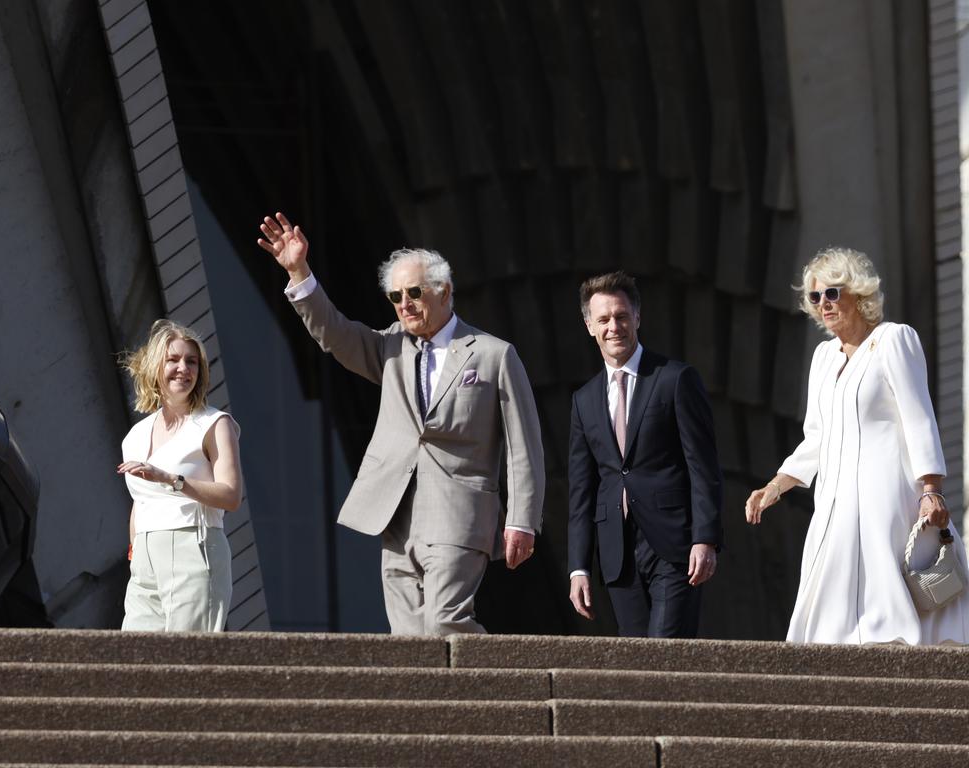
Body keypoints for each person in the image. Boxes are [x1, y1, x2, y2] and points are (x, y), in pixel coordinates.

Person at [256, 212, 545, 635]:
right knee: (410, 641)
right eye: (395, 297)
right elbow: (334, 333)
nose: (404, 304)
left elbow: (525, 447)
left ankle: (498, 691)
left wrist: (522, 519)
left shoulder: (492, 354)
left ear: (444, 292)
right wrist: (299, 271)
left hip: (459, 511)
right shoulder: (392, 345)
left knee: (446, 622)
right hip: (395, 514)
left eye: (414, 292)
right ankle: (439, 704)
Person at [745, 246, 969, 644]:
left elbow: (919, 417)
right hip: (835, 496)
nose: (823, 304)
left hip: (886, 492)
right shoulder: (823, 357)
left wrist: (931, 488)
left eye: (832, 292)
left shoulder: (893, 339)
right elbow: (817, 434)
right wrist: (777, 484)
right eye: (815, 297)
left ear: (858, 293)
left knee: (886, 574)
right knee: (830, 577)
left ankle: (898, 646)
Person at [567, 271, 723, 637]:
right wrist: (578, 567)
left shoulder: (675, 379)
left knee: (666, 653)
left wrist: (706, 537)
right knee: (635, 660)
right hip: (617, 552)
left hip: (675, 547)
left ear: (637, 317)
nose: (614, 327)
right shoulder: (584, 399)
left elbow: (703, 468)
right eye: (603, 319)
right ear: (590, 326)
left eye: (621, 316)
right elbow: (581, 492)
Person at [117, 319, 242, 632]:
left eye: (192, 362)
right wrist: (135, 551)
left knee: (186, 663)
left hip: (193, 547)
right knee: (134, 662)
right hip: (145, 559)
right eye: (173, 360)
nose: (183, 368)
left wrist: (173, 480)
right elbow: (140, 499)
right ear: (155, 368)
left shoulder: (214, 424)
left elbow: (230, 495)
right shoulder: (136, 435)